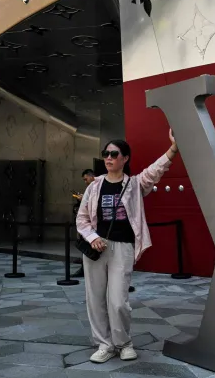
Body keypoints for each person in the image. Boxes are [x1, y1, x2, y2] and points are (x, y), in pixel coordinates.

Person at [76, 130, 178, 363]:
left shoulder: (134, 184)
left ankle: (123, 343)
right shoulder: (94, 186)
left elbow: (155, 171)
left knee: (118, 300)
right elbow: (82, 219)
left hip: (122, 248)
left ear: (125, 158)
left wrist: (173, 148)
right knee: (95, 298)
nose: (108, 158)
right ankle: (104, 344)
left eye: (114, 154)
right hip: (96, 248)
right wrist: (93, 237)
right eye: (106, 154)